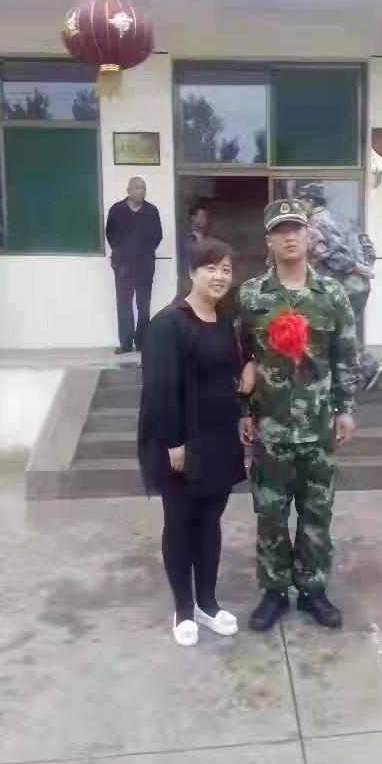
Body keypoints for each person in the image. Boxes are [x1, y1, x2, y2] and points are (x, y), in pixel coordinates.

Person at [239, 199, 359, 632]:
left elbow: (346, 355)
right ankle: (274, 592)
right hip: (270, 427)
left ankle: (313, 591)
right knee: (271, 515)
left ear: (309, 237)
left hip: (318, 428)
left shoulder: (332, 294)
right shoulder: (252, 295)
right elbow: (239, 357)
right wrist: (242, 409)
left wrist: (346, 409)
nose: (289, 237)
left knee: (316, 513)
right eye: (280, 230)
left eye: (296, 229)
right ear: (269, 241)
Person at [138, 238, 250, 647]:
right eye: (211, 268)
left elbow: (231, 371)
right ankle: (183, 609)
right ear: (191, 273)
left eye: (226, 269)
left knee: (209, 521)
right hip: (181, 441)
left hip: (219, 437)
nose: (220, 276)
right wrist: (174, 442)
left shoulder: (224, 320)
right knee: (180, 523)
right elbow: (159, 389)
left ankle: (207, 603)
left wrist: (246, 395)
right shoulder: (168, 323)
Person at [297, 182, 382, 391]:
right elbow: (368, 246)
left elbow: (324, 253)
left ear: (310, 201)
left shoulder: (313, 224)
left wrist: (353, 266)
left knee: (334, 332)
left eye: (301, 202)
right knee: (344, 330)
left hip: (335, 287)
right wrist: (365, 267)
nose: (299, 206)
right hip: (360, 286)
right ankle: (347, 378)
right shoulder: (345, 220)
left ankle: (368, 367)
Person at [106, 176, 163, 355]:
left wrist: (143, 253)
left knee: (143, 305)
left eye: (143, 187)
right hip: (122, 266)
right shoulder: (117, 210)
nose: (141, 191)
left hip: (145, 266)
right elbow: (110, 234)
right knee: (124, 304)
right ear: (129, 190)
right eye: (138, 187)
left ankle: (141, 342)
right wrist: (122, 254)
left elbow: (157, 236)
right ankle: (125, 343)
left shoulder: (151, 211)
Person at [179, 201, 211, 294]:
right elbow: (182, 261)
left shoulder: (209, 238)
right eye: (202, 216)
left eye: (205, 216)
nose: (204, 219)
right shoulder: (184, 239)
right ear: (193, 218)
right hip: (190, 283)